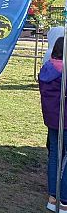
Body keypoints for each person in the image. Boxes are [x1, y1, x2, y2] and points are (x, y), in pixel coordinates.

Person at [39, 37, 67, 212]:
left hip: (52, 120)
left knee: (55, 157)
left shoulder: (47, 67)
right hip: (65, 121)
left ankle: (52, 198)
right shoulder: (64, 71)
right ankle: (64, 200)